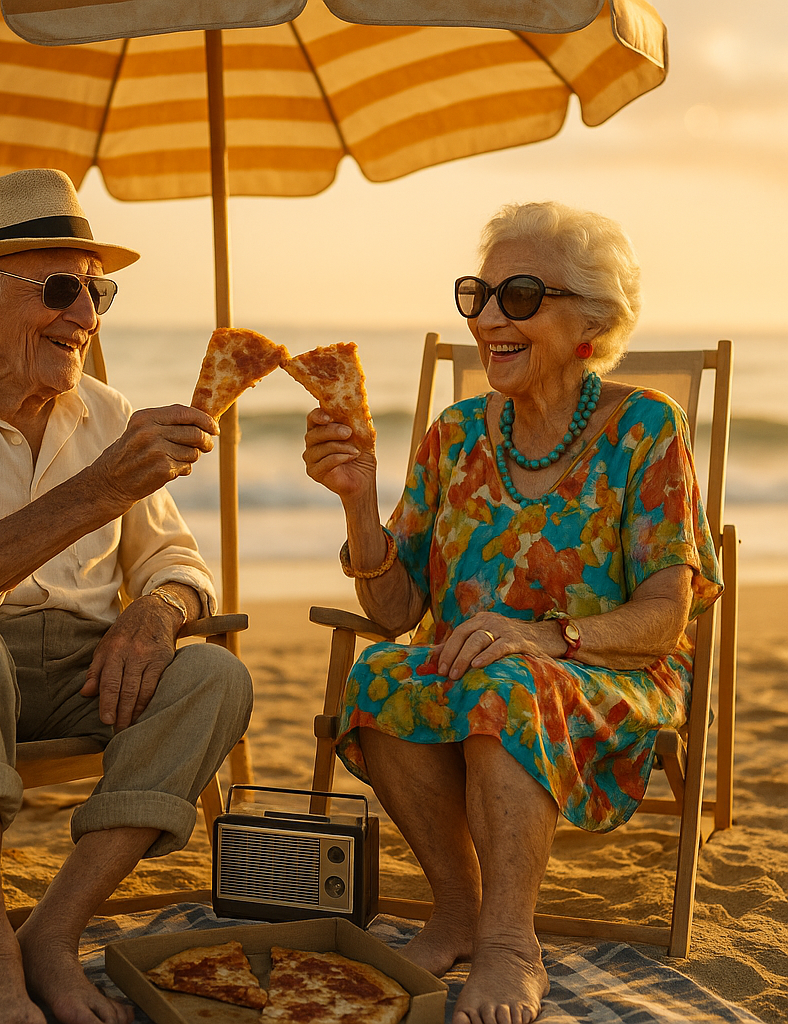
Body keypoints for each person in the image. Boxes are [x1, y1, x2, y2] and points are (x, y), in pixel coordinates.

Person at [0, 168, 253, 1024]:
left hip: (82, 665)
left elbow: (177, 558)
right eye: (61, 289)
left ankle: (53, 934)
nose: (88, 317)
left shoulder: (107, 412)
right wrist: (98, 493)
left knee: (216, 676)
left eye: (98, 290)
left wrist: (157, 610)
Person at [302, 201, 721, 1024]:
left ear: (590, 322)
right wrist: (358, 505)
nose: (489, 317)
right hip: (473, 668)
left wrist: (545, 638)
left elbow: (666, 618)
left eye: (519, 297)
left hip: (608, 671)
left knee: (507, 680)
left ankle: (508, 941)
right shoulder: (453, 434)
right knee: (378, 675)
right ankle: (457, 907)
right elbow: (395, 612)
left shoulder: (645, 429)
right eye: (478, 295)